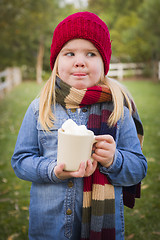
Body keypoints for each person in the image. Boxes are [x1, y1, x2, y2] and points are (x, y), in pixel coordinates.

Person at [11, 12, 147, 240]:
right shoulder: (40, 108)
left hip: (101, 228)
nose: (79, 61)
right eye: (70, 53)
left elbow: (138, 168)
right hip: (49, 228)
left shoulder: (118, 110)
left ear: (104, 63)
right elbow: (20, 161)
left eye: (91, 53)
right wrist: (52, 170)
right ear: (56, 62)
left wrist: (115, 159)